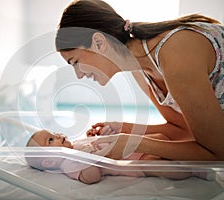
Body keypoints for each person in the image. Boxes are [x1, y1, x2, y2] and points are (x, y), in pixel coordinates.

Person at [55, 0, 224, 161]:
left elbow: (218, 153)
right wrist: (123, 129)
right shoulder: (140, 69)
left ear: (99, 43)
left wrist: (136, 144)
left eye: (75, 62)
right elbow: (184, 130)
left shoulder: (176, 56)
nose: (78, 75)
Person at [25, 129, 213, 184]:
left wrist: (95, 137)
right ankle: (195, 171)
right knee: (162, 168)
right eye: (51, 140)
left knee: (162, 138)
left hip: (133, 146)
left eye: (53, 133)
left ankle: (189, 151)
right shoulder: (69, 165)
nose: (58, 135)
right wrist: (84, 158)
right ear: (49, 161)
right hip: (134, 163)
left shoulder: (76, 143)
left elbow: (98, 142)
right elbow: (92, 177)